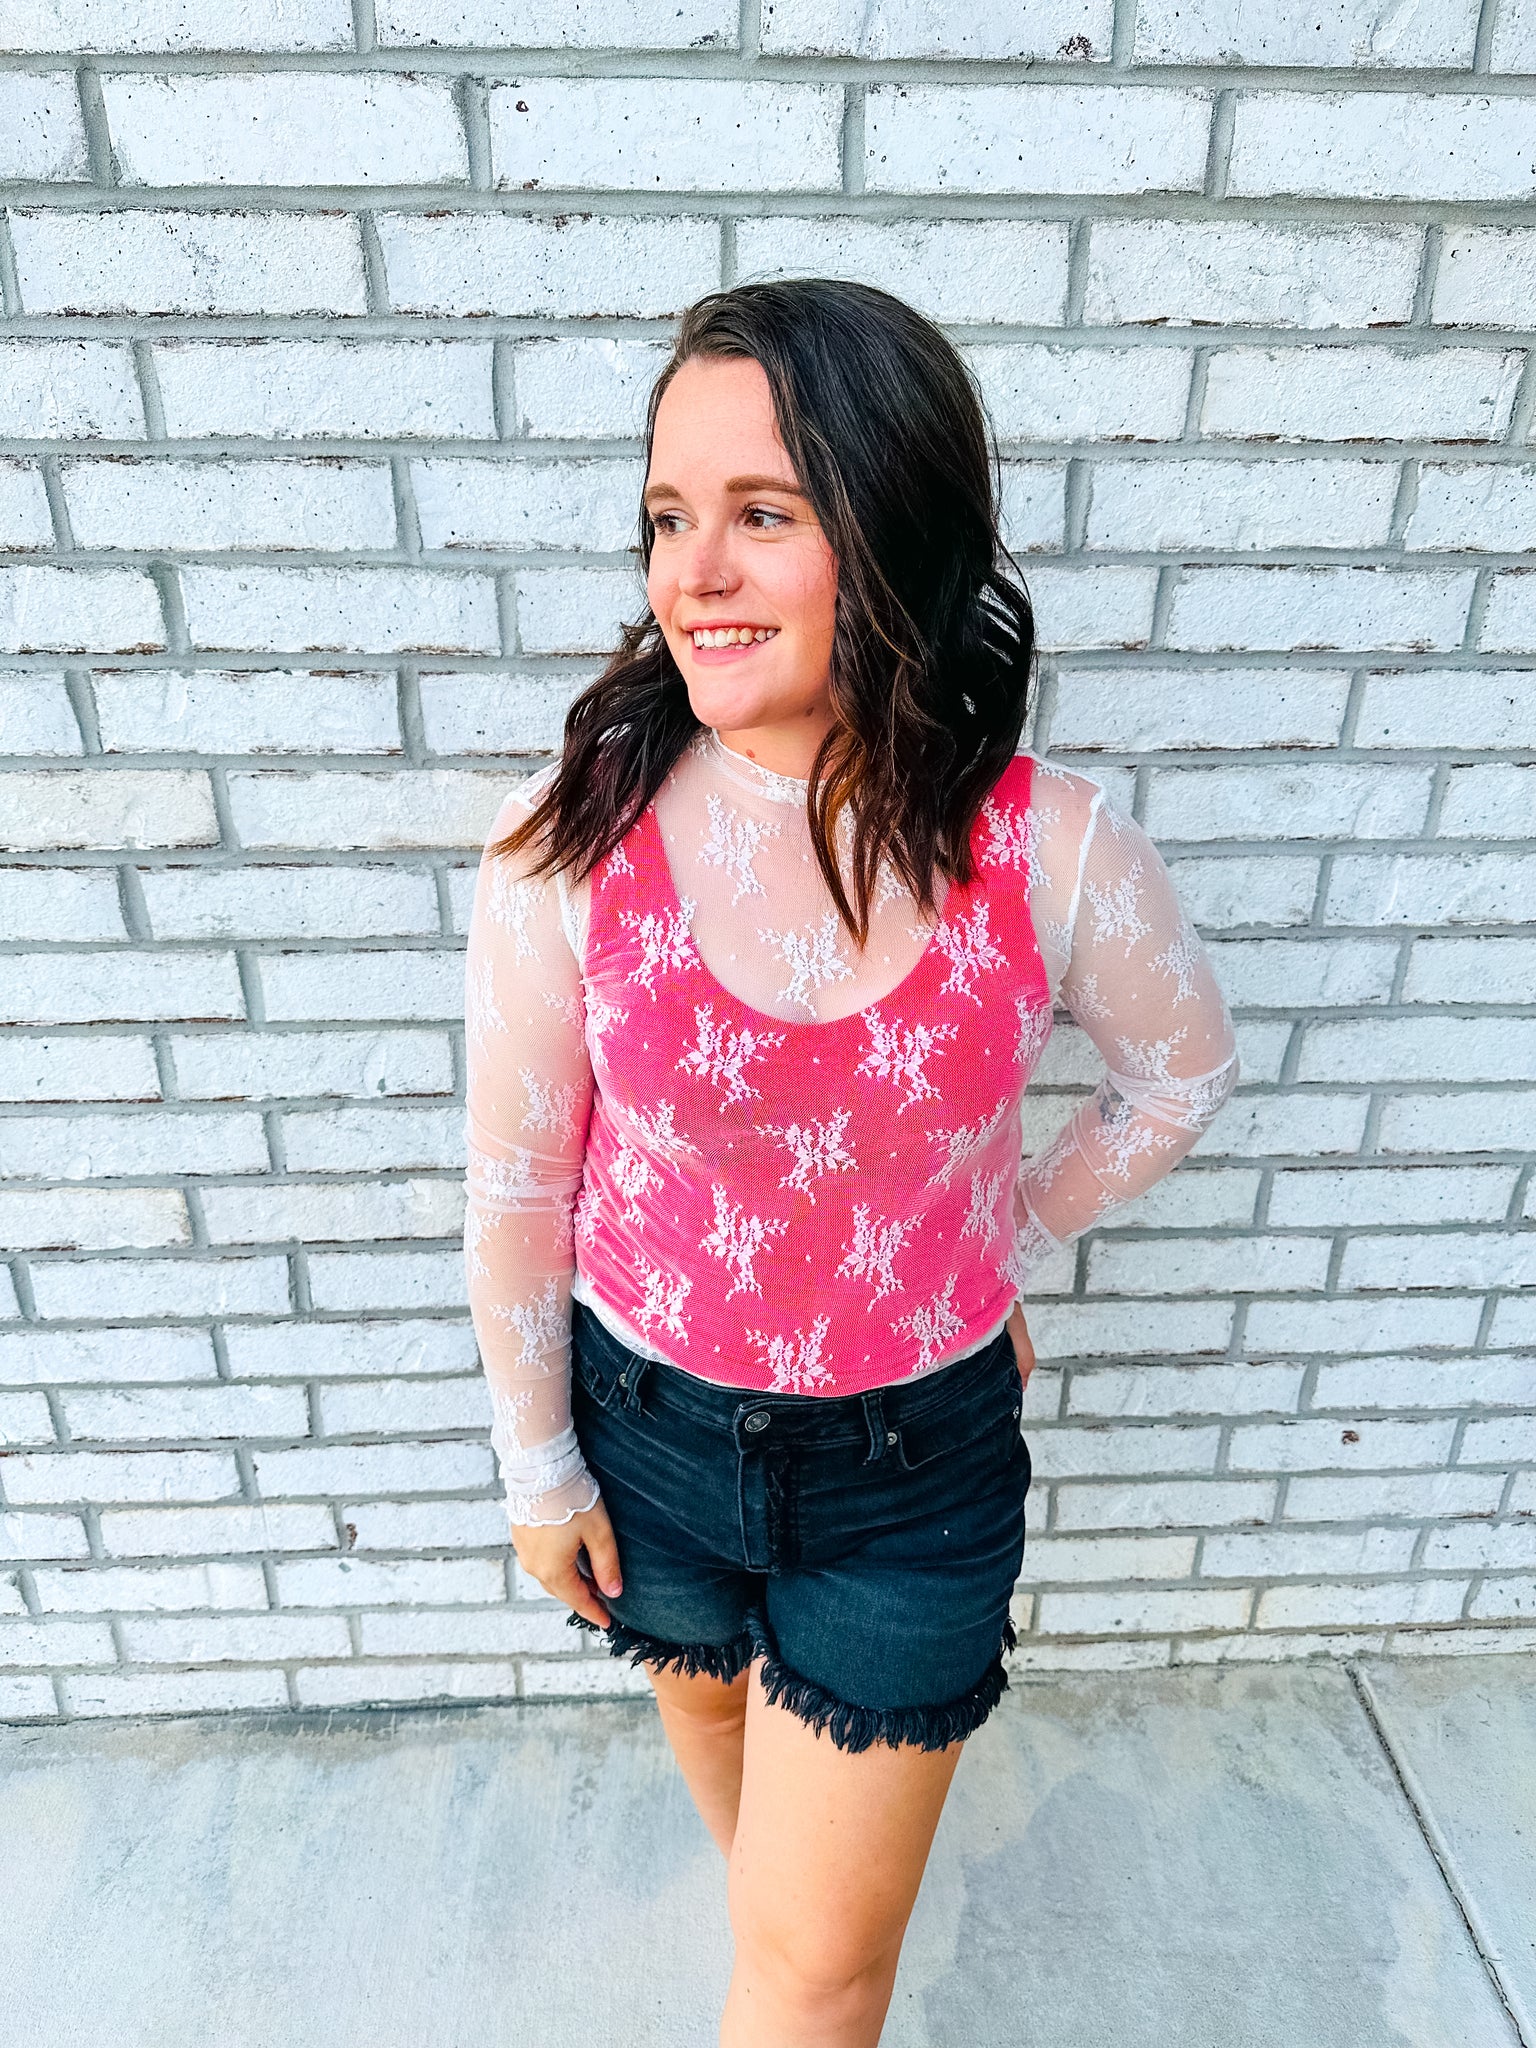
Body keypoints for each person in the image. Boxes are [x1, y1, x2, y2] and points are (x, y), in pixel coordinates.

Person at [462, 278, 1239, 2047]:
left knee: (816, 1980)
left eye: (764, 515)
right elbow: (518, 1184)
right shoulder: (570, 833)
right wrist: (538, 1469)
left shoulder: (1044, 847)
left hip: (914, 1476)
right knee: (734, 1777)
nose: (693, 573)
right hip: (645, 1433)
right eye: (670, 515)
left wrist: (995, 1237)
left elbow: (1181, 1077)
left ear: (886, 528)